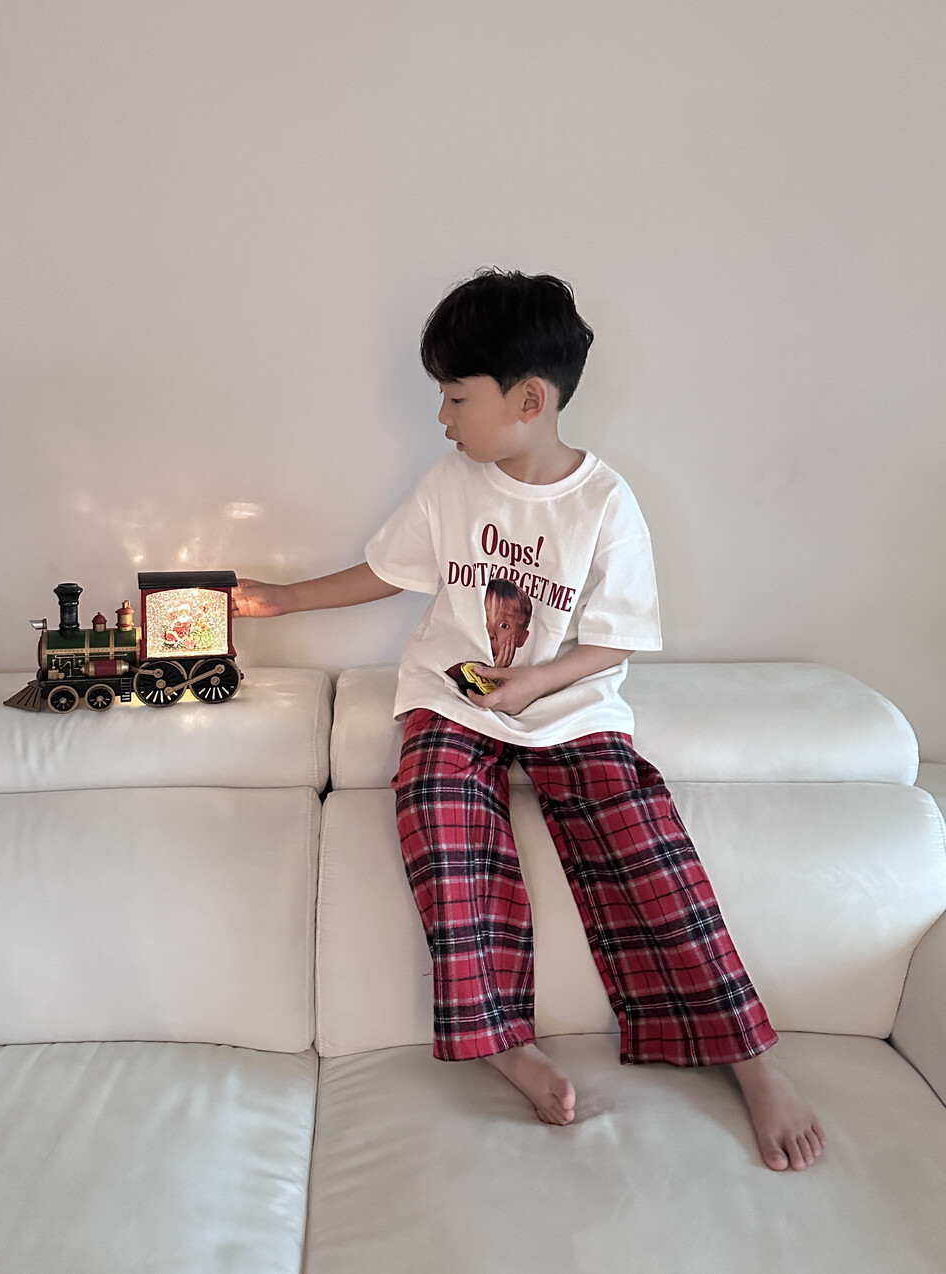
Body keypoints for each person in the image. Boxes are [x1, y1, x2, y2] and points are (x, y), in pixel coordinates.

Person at [232, 269, 826, 1171]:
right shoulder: (451, 483)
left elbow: (617, 641)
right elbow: (389, 570)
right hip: (452, 699)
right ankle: (504, 1041)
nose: (442, 418)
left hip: (567, 704)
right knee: (435, 809)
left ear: (529, 400)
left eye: (455, 397)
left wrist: (538, 682)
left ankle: (749, 1055)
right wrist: (283, 598)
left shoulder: (605, 503)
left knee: (640, 838)